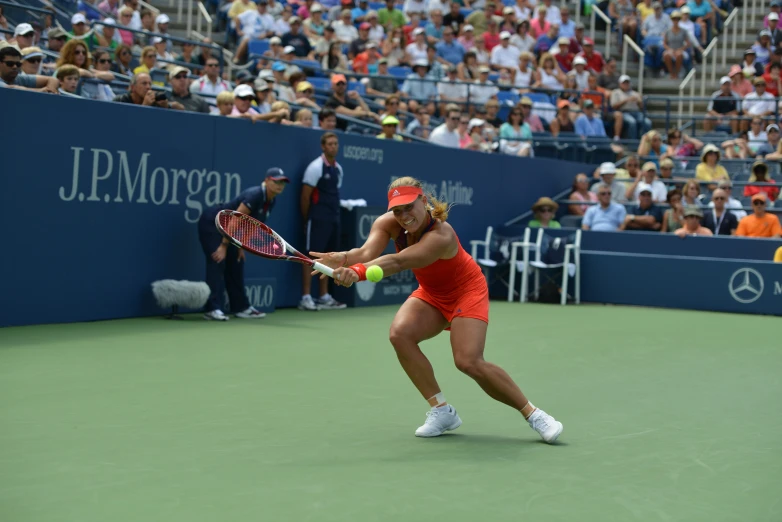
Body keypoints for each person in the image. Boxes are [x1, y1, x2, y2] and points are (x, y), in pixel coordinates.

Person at [311, 177, 564, 442]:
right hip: (432, 293)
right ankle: (442, 411)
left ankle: (534, 414)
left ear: (423, 201)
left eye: (409, 207)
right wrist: (344, 258)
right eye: (397, 210)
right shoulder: (388, 223)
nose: (403, 216)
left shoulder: (443, 235)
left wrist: (356, 273)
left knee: (468, 361)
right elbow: (365, 252)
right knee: (400, 334)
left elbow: (398, 261)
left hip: (466, 291)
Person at [198, 168, 290, 321]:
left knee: (236, 262)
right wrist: (224, 246)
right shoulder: (255, 195)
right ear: (267, 180)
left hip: (230, 230)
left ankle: (240, 307)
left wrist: (241, 247)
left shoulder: (271, 200)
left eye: (283, 183)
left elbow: (252, 224)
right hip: (214, 224)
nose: (280, 185)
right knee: (217, 260)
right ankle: (212, 309)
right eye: (276, 181)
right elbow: (235, 219)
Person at [300, 132, 348, 312]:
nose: (333, 147)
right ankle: (305, 297)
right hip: (317, 218)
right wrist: (308, 219)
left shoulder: (338, 169)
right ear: (323, 146)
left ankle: (323, 296)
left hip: (333, 218)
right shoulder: (315, 167)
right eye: (329, 144)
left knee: (329, 257)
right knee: (309, 256)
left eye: (335, 143)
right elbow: (305, 197)